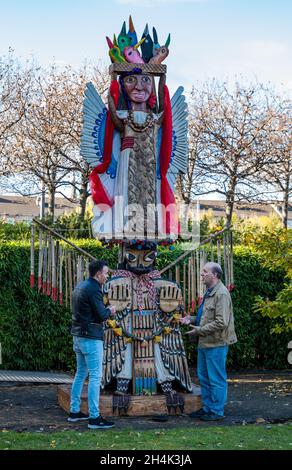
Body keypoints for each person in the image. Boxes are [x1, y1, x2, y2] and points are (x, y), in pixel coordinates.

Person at [183, 262, 237, 421]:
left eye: (205, 272)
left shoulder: (221, 293)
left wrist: (198, 330)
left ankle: (217, 411)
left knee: (216, 379)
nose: (202, 275)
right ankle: (207, 408)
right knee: (204, 378)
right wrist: (190, 319)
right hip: (205, 343)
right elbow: (205, 317)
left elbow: (221, 322)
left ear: (215, 275)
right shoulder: (209, 292)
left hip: (216, 343)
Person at [68, 260, 116, 429]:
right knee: (95, 376)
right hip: (90, 337)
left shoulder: (80, 286)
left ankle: (74, 412)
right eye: (106, 273)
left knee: (80, 374)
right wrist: (110, 310)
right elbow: (102, 315)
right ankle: (94, 418)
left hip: (77, 336)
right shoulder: (94, 289)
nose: (107, 276)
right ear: (98, 274)